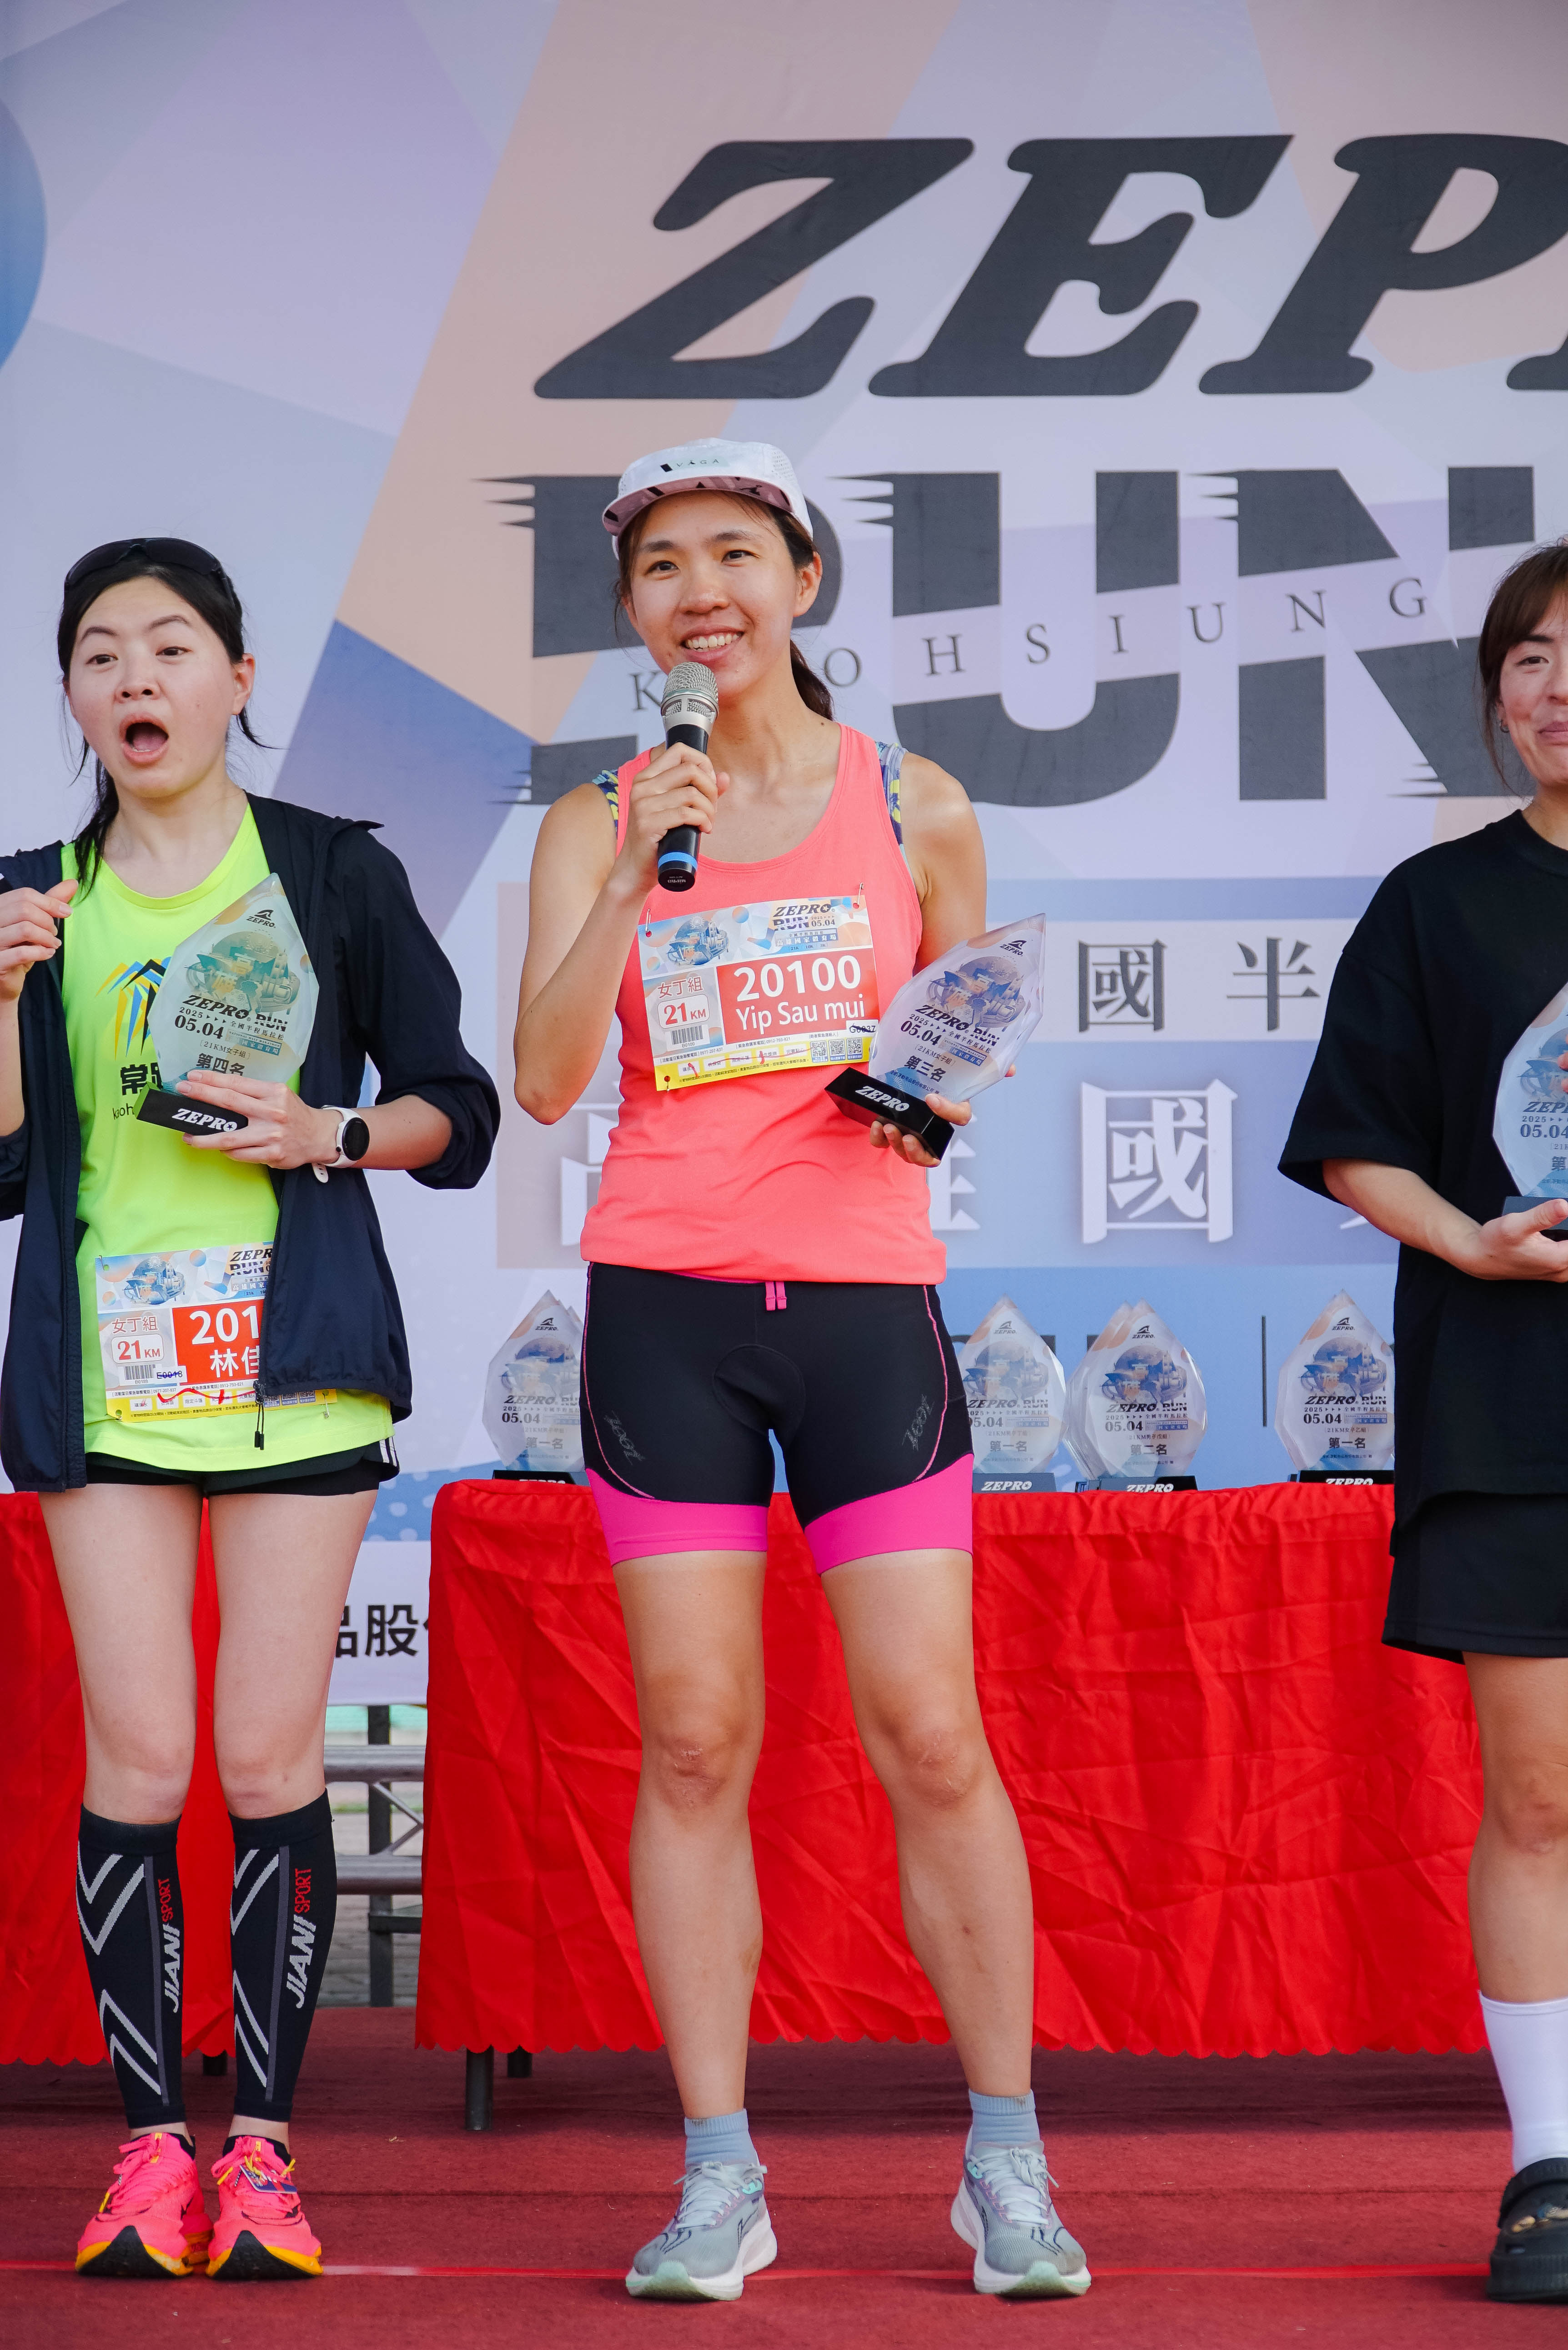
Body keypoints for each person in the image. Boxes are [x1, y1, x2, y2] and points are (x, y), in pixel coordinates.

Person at [513, 439, 1088, 2303]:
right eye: (663, 565)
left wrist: (929, 1094)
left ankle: (1005, 2161)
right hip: (666, 1309)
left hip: (861, 1310)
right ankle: (717, 2173)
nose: (704, 591)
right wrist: (630, 871)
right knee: (693, 1738)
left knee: (932, 1730)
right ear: (632, 611)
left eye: (736, 553)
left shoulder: (916, 800)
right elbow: (540, 1077)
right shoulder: (598, 818)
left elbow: (968, 1025)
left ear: (803, 581)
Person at [0, 537, 498, 2280]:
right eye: (99, 654)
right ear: (75, 697)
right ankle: (152, 2151)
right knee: (139, 1758)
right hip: (108, 1384)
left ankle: (265, 2151)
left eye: (169, 646)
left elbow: (457, 1108)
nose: (134, 677)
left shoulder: (335, 874)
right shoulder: (29, 900)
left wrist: (326, 1133)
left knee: (272, 1758)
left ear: (237, 680)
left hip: (297, 1370)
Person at [1281, 539, 1568, 2305]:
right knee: (1538, 1796)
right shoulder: (1435, 903)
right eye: (1531, 657)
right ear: (1495, 694)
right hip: (1513, 1402)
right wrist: (1470, 1238)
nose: (1559, 686)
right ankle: (1551, 2166)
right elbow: (1353, 1133)